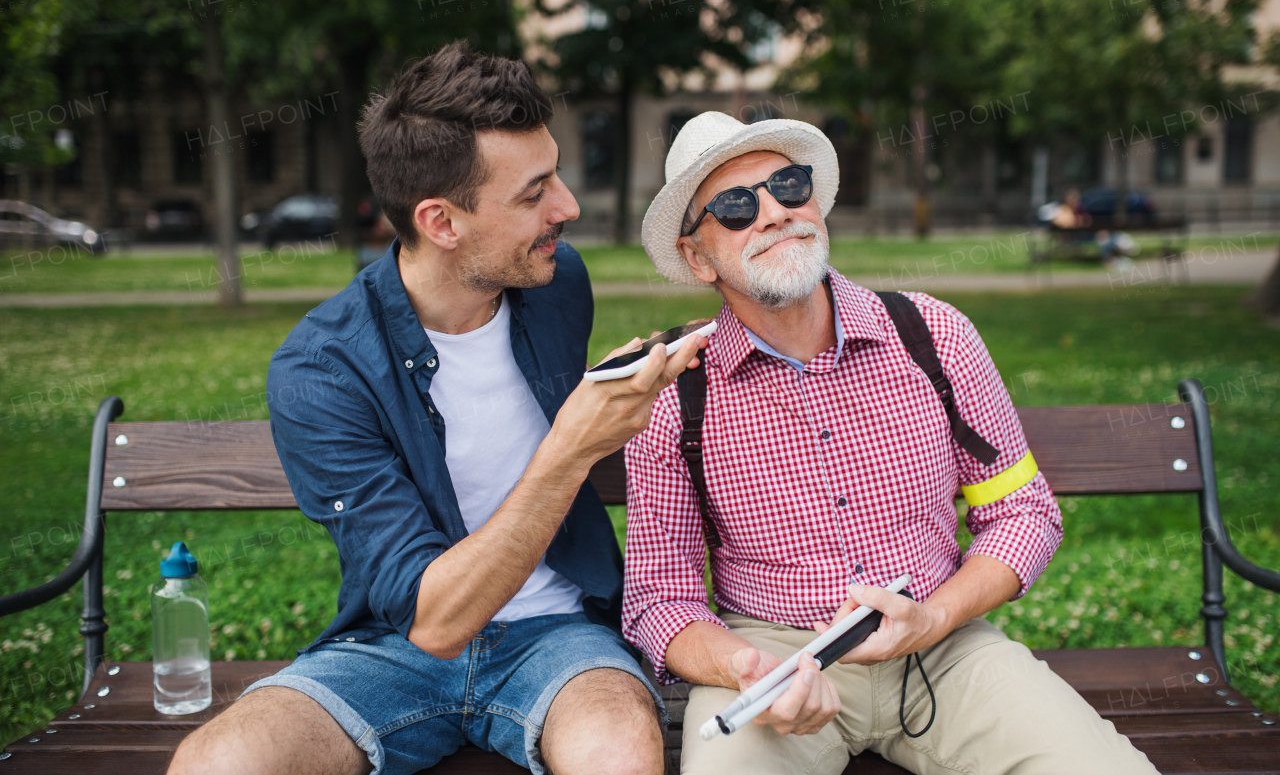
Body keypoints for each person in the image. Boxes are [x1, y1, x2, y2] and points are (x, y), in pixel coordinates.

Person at [167, 42, 705, 775]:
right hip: (393, 647)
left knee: (620, 751)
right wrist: (575, 444)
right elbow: (434, 618)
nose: (568, 208)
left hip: (559, 635)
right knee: (221, 763)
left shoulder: (556, 282)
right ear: (441, 221)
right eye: (534, 192)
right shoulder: (320, 369)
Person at [621, 111, 1160, 774]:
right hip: (775, 658)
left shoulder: (935, 336)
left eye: (789, 186)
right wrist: (743, 667)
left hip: (945, 646)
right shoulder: (675, 394)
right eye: (734, 206)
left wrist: (934, 617)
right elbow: (659, 595)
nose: (773, 213)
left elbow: (1021, 512)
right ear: (698, 257)